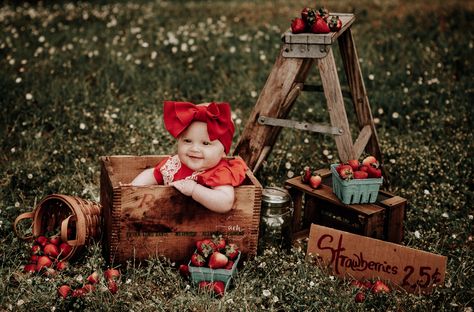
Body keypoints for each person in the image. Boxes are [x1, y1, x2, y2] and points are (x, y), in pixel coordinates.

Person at [131, 101, 248, 213]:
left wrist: (195, 190)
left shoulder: (219, 172)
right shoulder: (175, 164)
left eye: (205, 143)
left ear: (223, 151)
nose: (194, 149)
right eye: (187, 141)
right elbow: (152, 174)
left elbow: (225, 202)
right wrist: (132, 190)